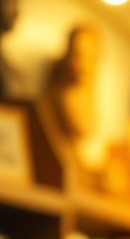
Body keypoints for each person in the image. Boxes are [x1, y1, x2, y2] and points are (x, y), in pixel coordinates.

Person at [44, 24, 107, 175]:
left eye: (91, 58)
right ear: (68, 56)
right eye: (78, 55)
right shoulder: (63, 97)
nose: (84, 65)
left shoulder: (88, 97)